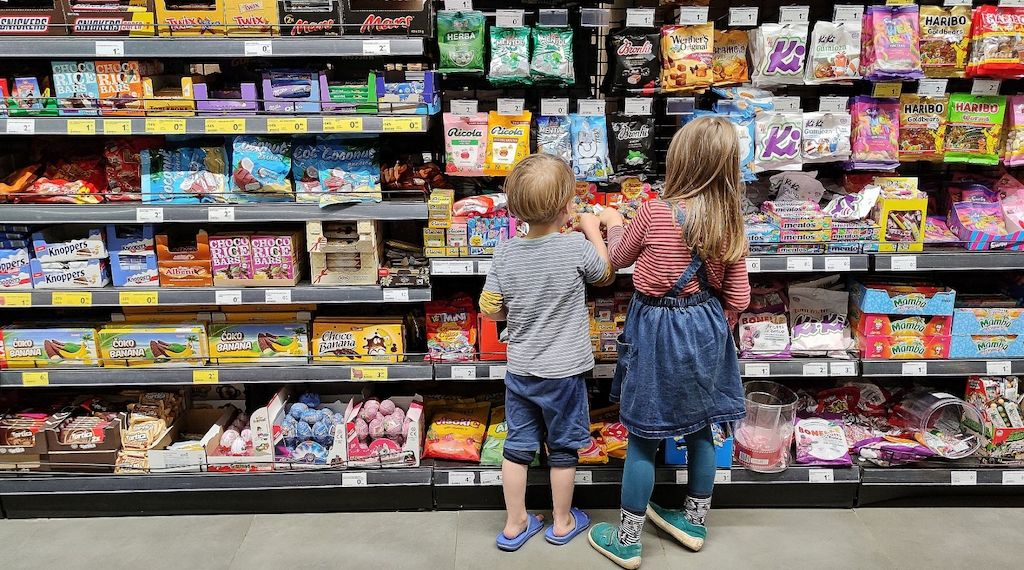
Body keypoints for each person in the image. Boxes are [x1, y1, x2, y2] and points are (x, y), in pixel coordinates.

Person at [587, 116, 751, 569]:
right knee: (702, 427)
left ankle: (627, 540)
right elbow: (739, 296)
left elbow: (614, 262)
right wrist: (714, 327)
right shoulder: (730, 218)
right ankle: (695, 522)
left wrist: (610, 221)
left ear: (680, 161)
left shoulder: (655, 210)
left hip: (656, 327)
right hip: (707, 325)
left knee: (642, 436)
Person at [479, 153, 615, 551]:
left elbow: (490, 307)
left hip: (521, 369)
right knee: (562, 449)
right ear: (565, 208)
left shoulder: (505, 252)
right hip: (565, 373)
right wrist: (593, 231)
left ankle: (515, 523)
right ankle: (561, 521)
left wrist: (515, 310)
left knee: (518, 446)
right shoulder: (574, 246)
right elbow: (605, 274)